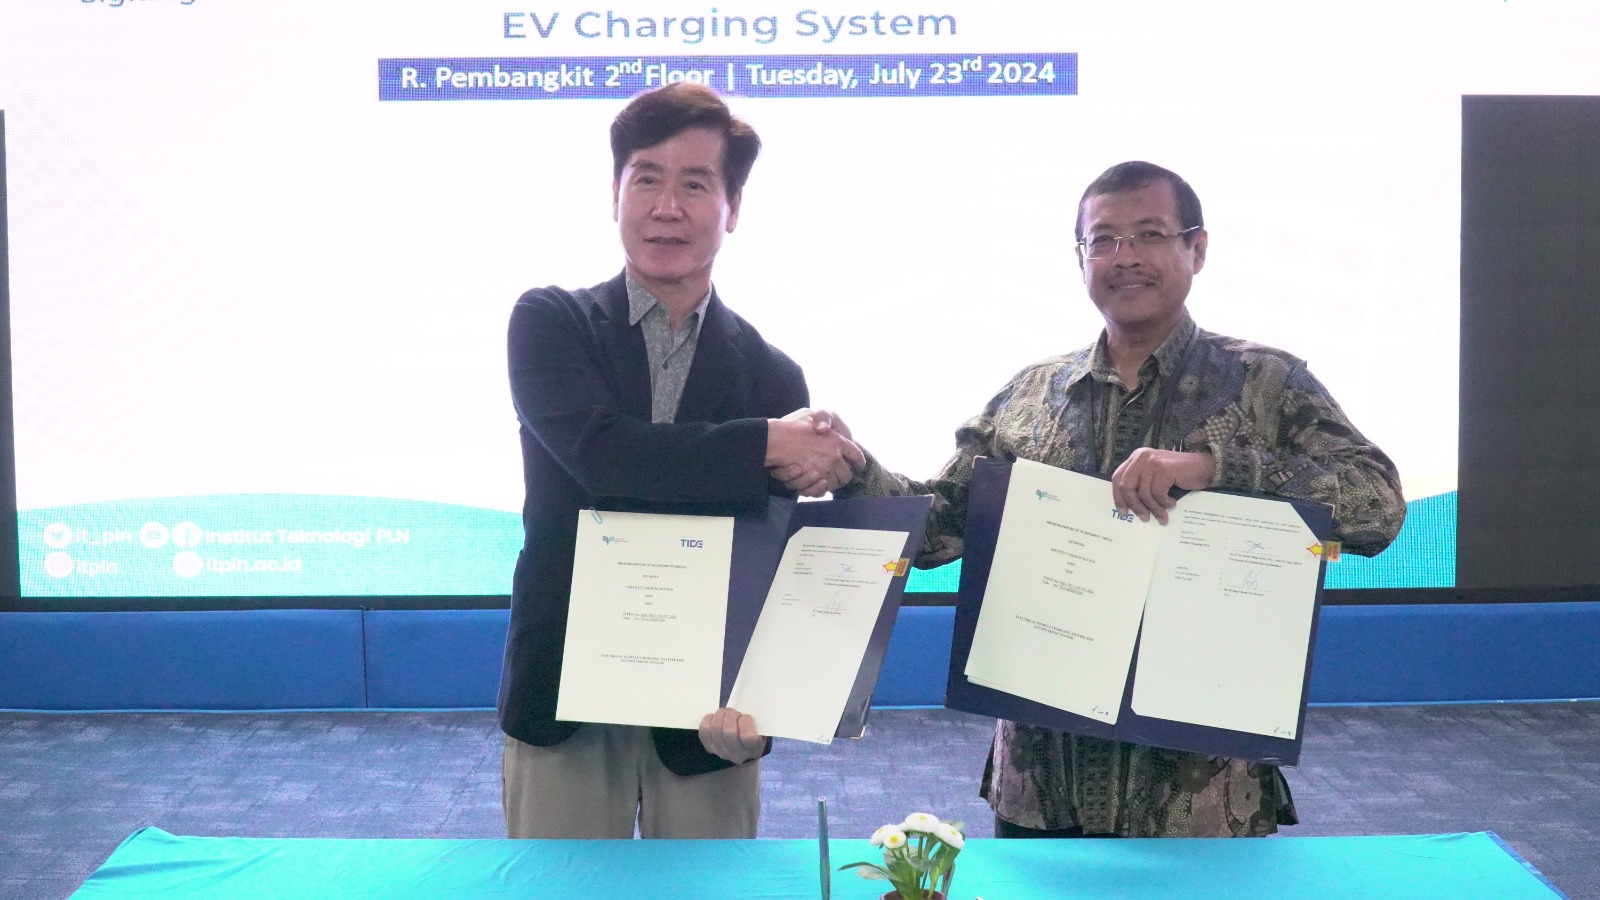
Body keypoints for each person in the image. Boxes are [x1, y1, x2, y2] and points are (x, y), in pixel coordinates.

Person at [807, 160, 1406, 838]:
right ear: (1080, 258)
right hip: (1043, 788)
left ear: (1196, 248)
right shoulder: (1032, 395)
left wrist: (1218, 467)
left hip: (1200, 797)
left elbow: (1379, 506)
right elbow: (937, 529)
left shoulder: (1267, 384)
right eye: (1104, 240)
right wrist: (853, 468)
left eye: (1150, 234)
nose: (1126, 257)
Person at [498, 82, 863, 840]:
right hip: (565, 699)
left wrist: (765, 705)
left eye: (696, 184)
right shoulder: (550, 322)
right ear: (615, 193)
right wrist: (770, 443)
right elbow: (605, 458)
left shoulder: (774, 377)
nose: (668, 206)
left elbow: (766, 558)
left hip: (711, 718)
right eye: (647, 178)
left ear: (732, 208)